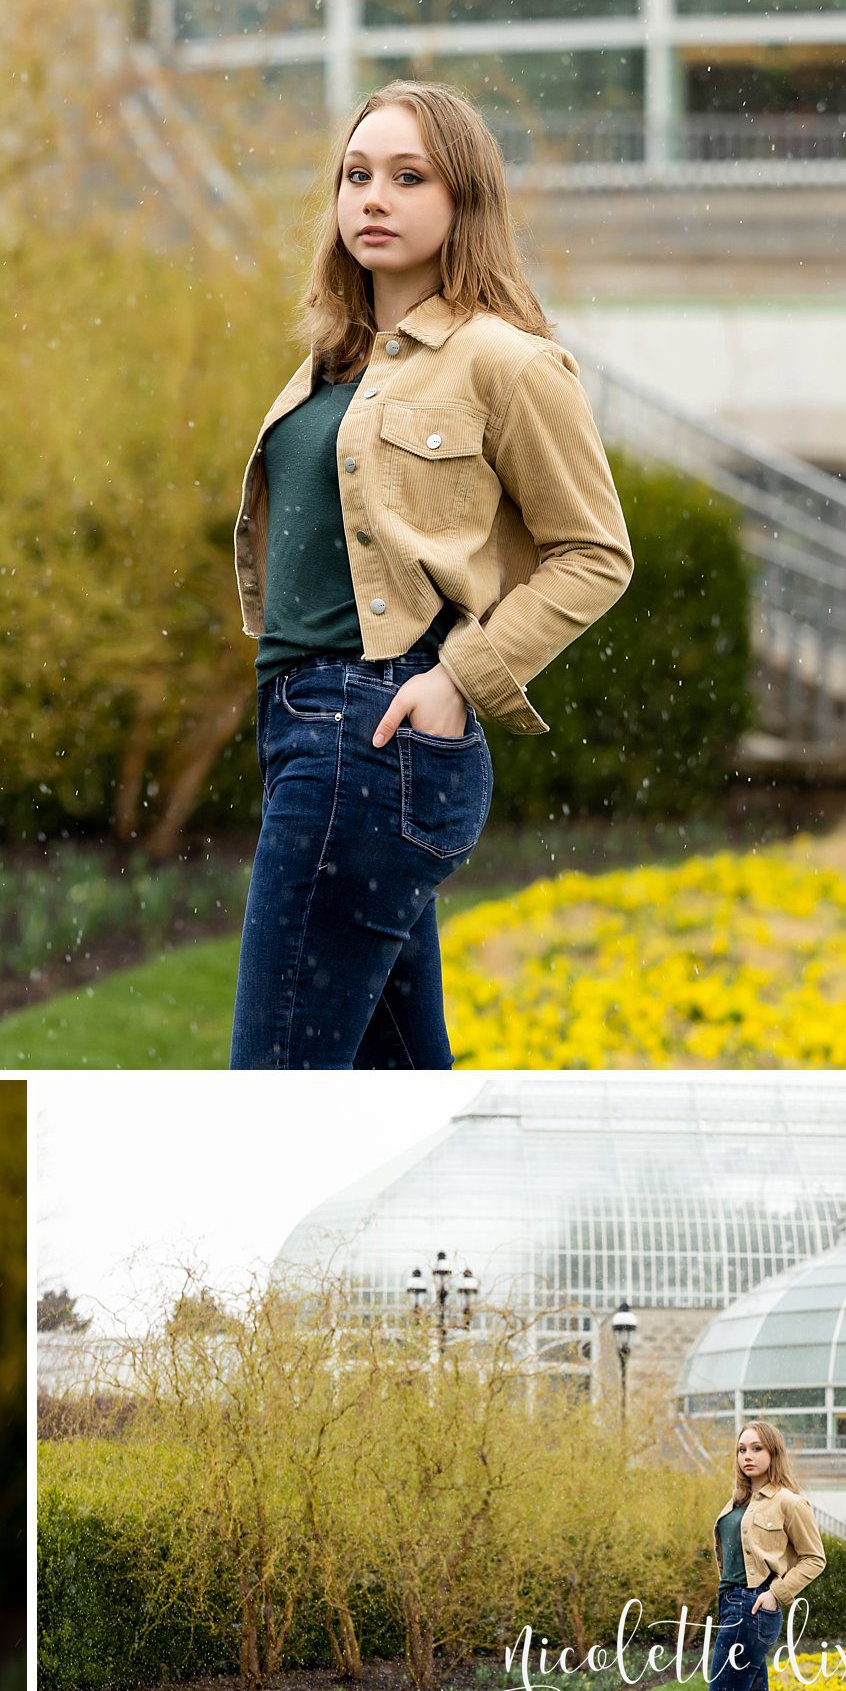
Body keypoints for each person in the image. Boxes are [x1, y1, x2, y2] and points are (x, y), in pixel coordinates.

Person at [228, 77, 634, 1069]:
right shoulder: (332, 365)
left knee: (271, 1088)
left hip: (373, 736)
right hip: (308, 733)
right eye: (356, 175)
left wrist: (460, 679)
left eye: (408, 178)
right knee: (397, 1086)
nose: (374, 197)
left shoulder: (505, 362)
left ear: (463, 200)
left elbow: (594, 553)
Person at [706, 1420, 827, 1691]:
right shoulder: (737, 1501)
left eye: (757, 1448)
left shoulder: (789, 1502)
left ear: (773, 1453)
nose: (747, 1456)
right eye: (742, 1449)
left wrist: (776, 1594)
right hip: (732, 1605)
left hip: (754, 1607)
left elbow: (814, 1558)